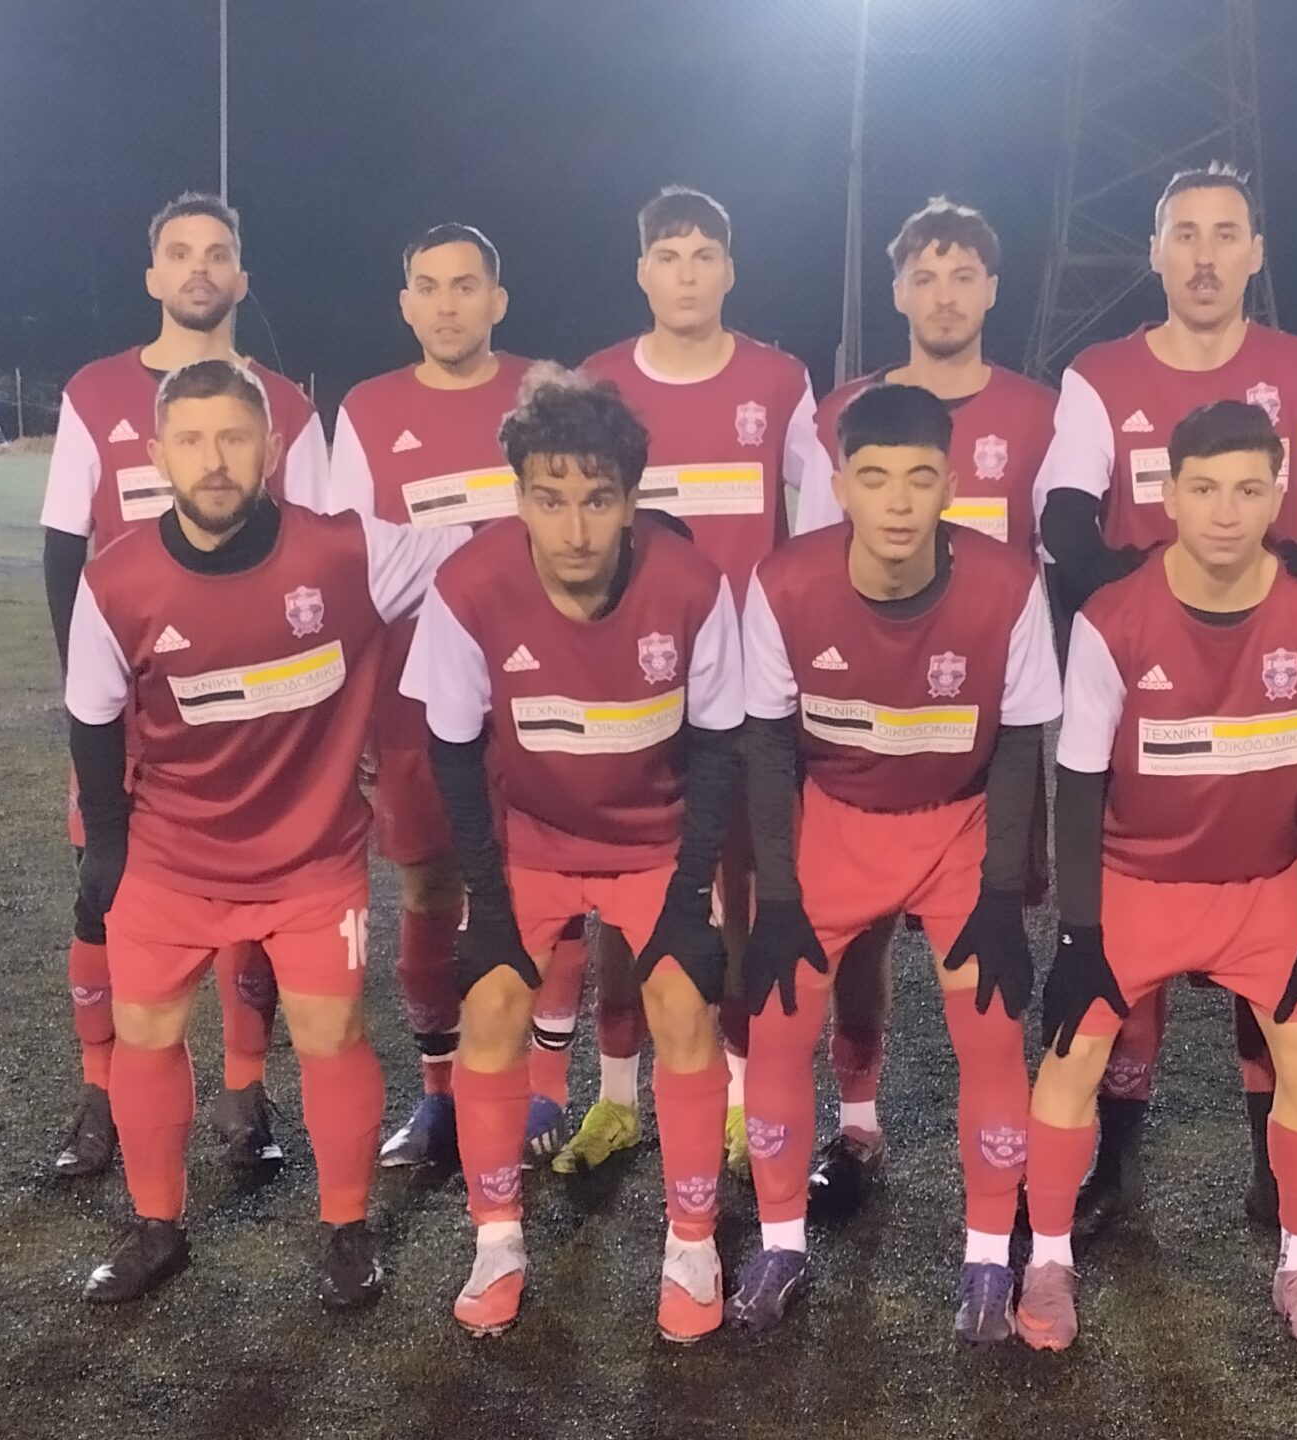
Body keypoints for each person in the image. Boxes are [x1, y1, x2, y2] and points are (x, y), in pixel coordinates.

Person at [63, 359, 467, 1306]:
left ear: (272, 449)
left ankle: (347, 1230)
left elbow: (483, 552)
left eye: (235, 437)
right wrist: (107, 844)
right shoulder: (114, 581)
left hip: (310, 861)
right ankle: (157, 1227)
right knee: (145, 1032)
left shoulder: (349, 553)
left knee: (332, 1033)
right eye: (192, 440)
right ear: (158, 455)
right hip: (171, 857)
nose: (215, 459)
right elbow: (91, 713)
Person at [1030, 161, 1297, 1232]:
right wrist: (1149, 606)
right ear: (1155, 252)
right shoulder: (1099, 375)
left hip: (1265, 675)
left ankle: (1273, 1174)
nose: (1205, 256)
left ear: (1255, 253)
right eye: (1184, 234)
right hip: (1148, 683)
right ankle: (1114, 1167)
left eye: (1227, 234)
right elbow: (1065, 523)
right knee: (1127, 943)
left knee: (1264, 923)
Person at [401, 366, 743, 1343]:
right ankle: (497, 1239)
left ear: (631, 500)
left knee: (684, 1004)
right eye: (550, 499)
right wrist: (488, 902)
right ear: (519, 499)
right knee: (491, 1004)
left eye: (598, 498)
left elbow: (720, 747)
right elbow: (453, 754)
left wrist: (690, 895)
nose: (576, 527)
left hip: (656, 840)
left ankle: (691, 1245)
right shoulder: (467, 588)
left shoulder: (693, 587)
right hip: (534, 843)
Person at [1017, 399, 1297, 1356]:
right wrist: (1079, 938)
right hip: (1136, 881)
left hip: (1265, 885)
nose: (1225, 511)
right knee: (1072, 1057)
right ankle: (1049, 1260)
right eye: (1204, 489)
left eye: (1248, 490)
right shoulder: (1112, 617)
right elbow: (1078, 784)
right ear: (1168, 494)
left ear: (1280, 495)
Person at [731, 383, 1056, 1342]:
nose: (900, 501)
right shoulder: (784, 583)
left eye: (921, 477)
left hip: (958, 828)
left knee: (992, 1033)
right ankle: (781, 1243)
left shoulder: (1009, 584)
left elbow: (1020, 745)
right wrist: (777, 895)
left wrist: (1002, 891)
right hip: (836, 824)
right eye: (874, 478)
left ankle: (989, 1256)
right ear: (839, 487)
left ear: (951, 484)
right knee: (777, 1025)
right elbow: (767, 744)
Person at [36, 191, 333, 1180]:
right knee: (100, 894)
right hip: (132, 711)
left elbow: (326, 559)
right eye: (179, 251)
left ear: (241, 278)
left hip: (256, 718)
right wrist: (95, 694)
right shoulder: (93, 393)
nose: (198, 267)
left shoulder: (289, 407)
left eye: (217, 252)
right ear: (153, 275)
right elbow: (63, 550)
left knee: (256, 911)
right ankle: (98, 1093)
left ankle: (246, 1092)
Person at [787, 196, 1060, 1216]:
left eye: (963, 276)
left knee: (990, 947)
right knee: (852, 943)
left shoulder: (1040, 415)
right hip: (858, 734)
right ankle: (857, 1123)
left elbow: (1056, 562)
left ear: (991, 289)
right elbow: (811, 562)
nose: (944, 296)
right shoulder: (839, 411)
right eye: (924, 277)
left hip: (979, 742)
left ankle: (1007, 1168)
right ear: (897, 291)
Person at [570, 186, 836, 1179]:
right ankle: (615, 1096)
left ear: (729, 269)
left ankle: (736, 1093)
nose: (686, 274)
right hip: (631, 679)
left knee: (746, 887)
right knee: (623, 892)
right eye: (668, 256)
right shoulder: (600, 380)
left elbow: (820, 518)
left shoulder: (778, 379)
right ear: (642, 272)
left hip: (749, 683)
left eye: (703, 255)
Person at [324, 223, 586, 1174]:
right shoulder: (366, 411)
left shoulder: (547, 395)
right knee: (431, 885)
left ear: (497, 300)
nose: (447, 304)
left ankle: (547, 1090)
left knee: (549, 883)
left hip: (542, 681)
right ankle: (437, 1096)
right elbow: (349, 571)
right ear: (406, 305)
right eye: (429, 286)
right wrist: (352, 714)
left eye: (466, 285)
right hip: (418, 694)